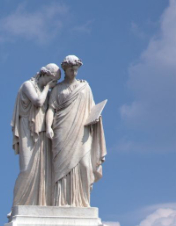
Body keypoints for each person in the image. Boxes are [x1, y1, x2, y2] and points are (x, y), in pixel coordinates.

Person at [46, 55, 106, 207]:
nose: (74, 72)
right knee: (61, 167)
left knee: (85, 165)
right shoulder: (58, 89)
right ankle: (60, 202)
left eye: (76, 69)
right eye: (71, 69)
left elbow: (92, 108)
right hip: (62, 128)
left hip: (82, 129)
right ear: (65, 69)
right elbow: (51, 109)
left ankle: (81, 202)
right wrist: (47, 127)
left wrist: (96, 118)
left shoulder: (85, 87)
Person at [11, 63, 61, 206]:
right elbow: (38, 102)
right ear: (45, 75)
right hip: (27, 129)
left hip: (42, 133)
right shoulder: (28, 85)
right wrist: (47, 88)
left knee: (43, 170)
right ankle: (17, 205)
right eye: (53, 80)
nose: (54, 84)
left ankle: (39, 203)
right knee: (26, 169)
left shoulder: (47, 92)